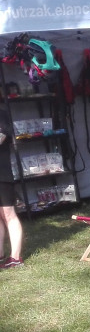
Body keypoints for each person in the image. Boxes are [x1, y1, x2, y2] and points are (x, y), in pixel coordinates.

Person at [0, 107, 25, 269]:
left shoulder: (1, 114)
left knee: (8, 214)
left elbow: (1, 136)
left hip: (2, 174)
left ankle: (15, 258)